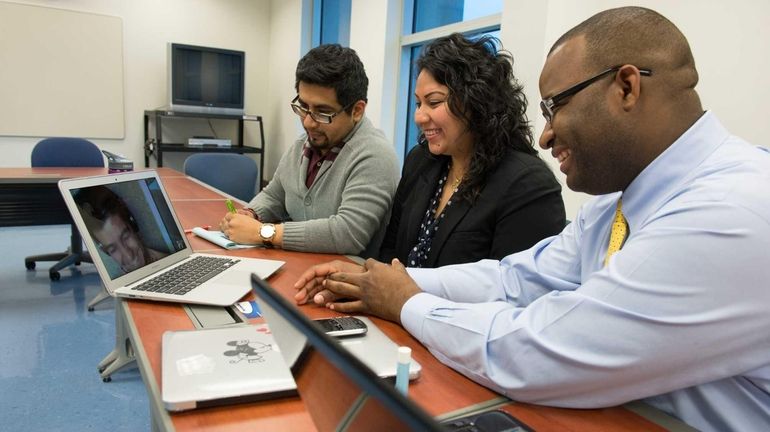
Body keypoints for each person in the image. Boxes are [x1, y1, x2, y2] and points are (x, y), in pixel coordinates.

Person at [294, 7, 770, 431]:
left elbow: (537, 351)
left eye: (556, 106)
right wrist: (384, 282)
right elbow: (517, 278)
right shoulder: (620, 202)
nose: (544, 136)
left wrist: (405, 303)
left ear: (627, 86)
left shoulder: (729, 210)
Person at [380, 33, 565, 268]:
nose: (419, 116)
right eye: (418, 103)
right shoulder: (420, 160)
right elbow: (390, 250)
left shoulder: (527, 184)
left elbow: (514, 289)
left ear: (476, 102)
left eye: (434, 102)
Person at [219, 44, 399, 255]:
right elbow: (275, 194)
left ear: (357, 111)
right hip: (301, 267)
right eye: (303, 107)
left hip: (345, 279)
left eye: (323, 112)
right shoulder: (303, 144)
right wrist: (250, 214)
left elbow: (348, 234)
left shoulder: (375, 156)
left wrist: (264, 232)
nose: (308, 123)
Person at [75, 185, 167, 274]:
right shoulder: (115, 283)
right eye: (113, 249)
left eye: (125, 237)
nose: (128, 256)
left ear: (133, 225)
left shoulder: (168, 262)